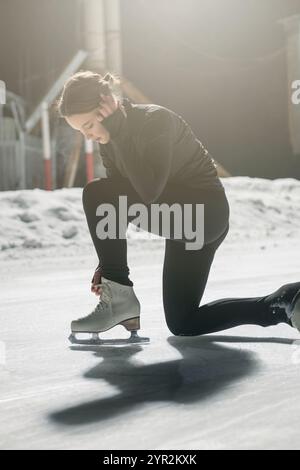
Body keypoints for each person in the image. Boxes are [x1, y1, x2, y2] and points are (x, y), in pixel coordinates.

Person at [56, 70, 300, 345]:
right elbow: (117, 205)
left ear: (106, 105)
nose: (87, 136)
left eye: (89, 125)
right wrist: (107, 265)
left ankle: (120, 301)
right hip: (183, 221)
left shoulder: (154, 121)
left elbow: (149, 191)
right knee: (184, 322)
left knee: (96, 193)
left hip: (205, 215)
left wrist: (119, 133)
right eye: (81, 131)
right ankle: (284, 302)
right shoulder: (112, 143)